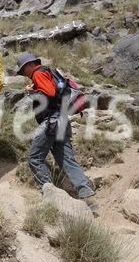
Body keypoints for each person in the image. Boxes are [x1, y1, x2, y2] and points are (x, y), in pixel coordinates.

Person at [15, 53, 96, 202]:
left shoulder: (38, 73)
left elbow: (50, 92)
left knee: (34, 158)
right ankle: (85, 192)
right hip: (62, 120)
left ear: (30, 65)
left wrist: (33, 92)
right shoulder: (48, 72)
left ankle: (49, 195)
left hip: (51, 122)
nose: (24, 74)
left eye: (23, 70)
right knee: (66, 160)